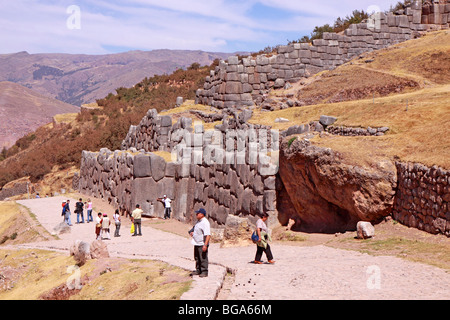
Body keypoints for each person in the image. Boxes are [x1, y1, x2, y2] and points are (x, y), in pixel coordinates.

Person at [189, 208, 211, 277]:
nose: (196, 214)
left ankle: (204, 271)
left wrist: (205, 245)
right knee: (197, 257)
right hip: (196, 243)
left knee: (203, 258)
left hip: (202, 243)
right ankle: (198, 270)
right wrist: (192, 233)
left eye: (198, 213)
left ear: (202, 214)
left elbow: (208, 235)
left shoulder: (205, 222)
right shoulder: (198, 221)